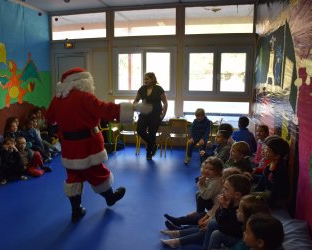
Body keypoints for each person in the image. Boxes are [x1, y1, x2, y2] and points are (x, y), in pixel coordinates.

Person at [45, 67, 152, 222]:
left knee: (73, 177)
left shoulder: (57, 99)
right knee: (97, 173)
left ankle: (76, 210)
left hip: (68, 146)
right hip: (87, 146)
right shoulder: (85, 97)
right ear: (83, 82)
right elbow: (105, 110)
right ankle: (110, 197)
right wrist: (133, 108)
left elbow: (49, 118)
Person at [160, 174, 251, 249]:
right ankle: (177, 234)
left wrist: (224, 208)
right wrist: (221, 208)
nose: (223, 191)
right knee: (208, 224)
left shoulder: (240, 209)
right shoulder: (230, 202)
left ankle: (179, 239)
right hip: (225, 228)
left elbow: (224, 227)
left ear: (237, 195)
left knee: (212, 228)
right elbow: (219, 218)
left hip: (233, 235)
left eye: (226, 189)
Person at [133, 72, 167, 160]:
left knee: (152, 133)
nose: (145, 81)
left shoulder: (159, 89)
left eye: (147, 79)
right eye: (144, 79)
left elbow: (165, 103)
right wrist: (135, 107)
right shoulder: (142, 89)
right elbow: (136, 101)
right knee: (140, 130)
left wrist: (163, 115)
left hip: (155, 115)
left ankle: (149, 154)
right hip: (144, 114)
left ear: (152, 79)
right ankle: (154, 144)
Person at [254, 135, 290, 208]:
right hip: (267, 193)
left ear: (277, 156)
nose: (264, 151)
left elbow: (275, 194)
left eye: (268, 150)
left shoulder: (280, 171)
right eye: (265, 149)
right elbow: (261, 184)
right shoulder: (268, 167)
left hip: (275, 199)